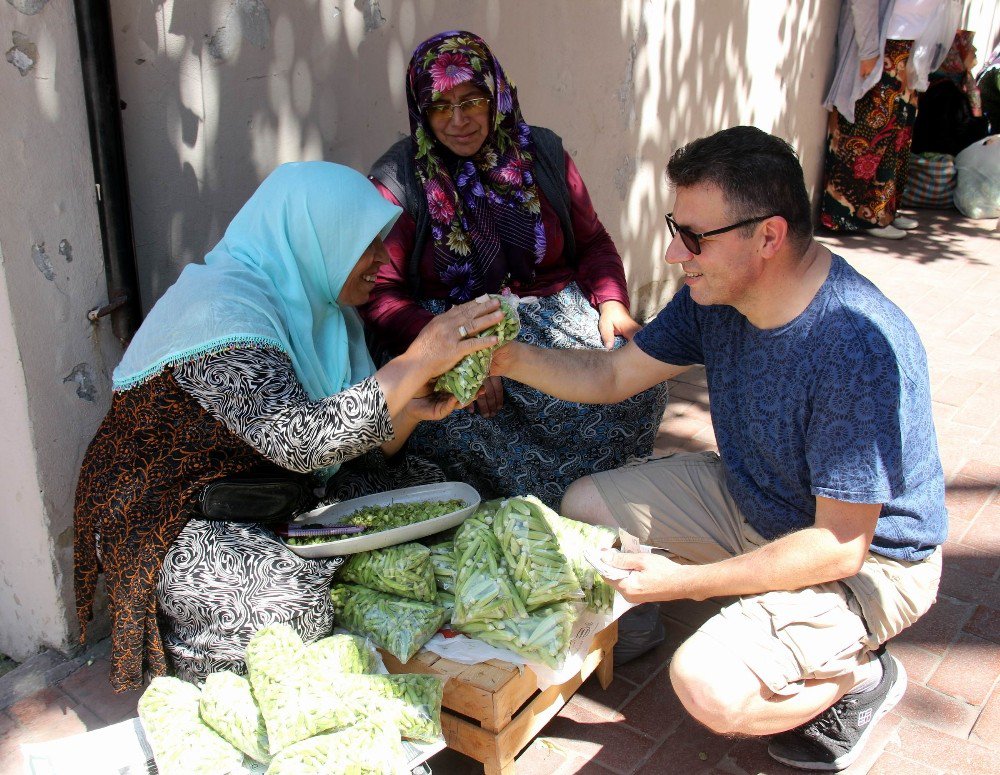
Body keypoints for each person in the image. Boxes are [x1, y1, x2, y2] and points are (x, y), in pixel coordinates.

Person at [491, 127, 946, 771]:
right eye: (676, 227)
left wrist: (684, 583)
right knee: (585, 505)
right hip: (755, 497)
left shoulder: (855, 347)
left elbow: (840, 544)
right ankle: (650, 616)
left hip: (869, 561)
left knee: (708, 685)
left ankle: (862, 682)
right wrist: (503, 358)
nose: (676, 254)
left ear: (768, 236)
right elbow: (611, 376)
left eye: (694, 237)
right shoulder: (717, 293)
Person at [74, 161, 505, 691]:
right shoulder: (219, 311)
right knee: (291, 605)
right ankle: (191, 650)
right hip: (171, 514)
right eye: (365, 245)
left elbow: (348, 447)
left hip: (268, 490)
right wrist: (418, 359)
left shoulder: (321, 308)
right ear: (314, 238)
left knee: (428, 490)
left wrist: (409, 410)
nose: (381, 261)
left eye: (381, 243)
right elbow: (299, 439)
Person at [361, 30, 669, 506]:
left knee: (638, 382)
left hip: (552, 316)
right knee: (465, 423)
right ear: (422, 110)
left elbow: (592, 241)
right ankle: (515, 515)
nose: (458, 120)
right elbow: (381, 295)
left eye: (472, 100)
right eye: (441, 106)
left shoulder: (541, 154)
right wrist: (457, 354)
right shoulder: (402, 180)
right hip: (452, 332)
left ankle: (601, 501)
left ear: (496, 94)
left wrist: (612, 304)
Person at [819, 0, 957, 239]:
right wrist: (869, 52)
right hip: (886, 46)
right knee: (868, 132)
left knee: (898, 136)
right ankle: (849, 217)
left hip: (910, 47)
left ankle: (883, 212)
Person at [912, 30, 991, 156]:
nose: (975, 50)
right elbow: (946, 139)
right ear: (955, 53)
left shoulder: (960, 84)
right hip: (940, 164)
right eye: (969, 47)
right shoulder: (945, 92)